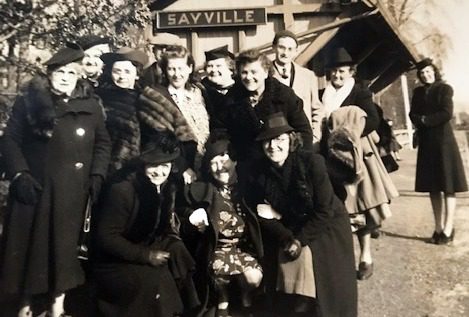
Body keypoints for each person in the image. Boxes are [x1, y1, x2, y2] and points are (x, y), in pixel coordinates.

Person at [0, 43, 111, 317]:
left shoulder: (91, 106)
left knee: (63, 250)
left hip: (73, 192)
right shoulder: (31, 102)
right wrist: (19, 174)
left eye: (71, 73)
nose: (64, 77)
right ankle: (25, 305)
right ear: (49, 75)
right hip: (37, 189)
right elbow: (10, 140)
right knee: (31, 247)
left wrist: (97, 175)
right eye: (59, 72)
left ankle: (57, 306)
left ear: (78, 76)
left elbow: (102, 144)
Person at [246, 112, 357, 317]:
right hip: (293, 230)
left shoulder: (312, 163)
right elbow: (262, 215)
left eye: (279, 139)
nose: (273, 146)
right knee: (295, 294)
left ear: (291, 140)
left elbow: (325, 210)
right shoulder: (261, 174)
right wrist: (287, 236)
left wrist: (298, 239)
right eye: (267, 142)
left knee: (330, 290)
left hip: (328, 227)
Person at [92, 133, 199, 317]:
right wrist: (146, 255)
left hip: (142, 249)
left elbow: (163, 223)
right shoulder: (123, 189)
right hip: (113, 262)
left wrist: (180, 231)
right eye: (153, 165)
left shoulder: (166, 186)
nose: (159, 172)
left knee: (181, 257)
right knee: (153, 281)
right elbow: (106, 238)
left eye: (164, 166)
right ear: (143, 165)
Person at [319, 47, 397, 280]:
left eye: (342, 71)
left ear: (350, 71)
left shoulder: (360, 93)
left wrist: (347, 130)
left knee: (360, 206)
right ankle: (341, 258)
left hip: (355, 156)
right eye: (333, 72)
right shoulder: (322, 94)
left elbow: (374, 120)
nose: (338, 76)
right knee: (336, 208)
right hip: (328, 155)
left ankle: (365, 256)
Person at [181, 136, 263, 317]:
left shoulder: (247, 187)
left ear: (234, 161)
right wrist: (192, 217)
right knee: (218, 270)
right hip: (215, 251)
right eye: (213, 163)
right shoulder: (202, 189)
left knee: (253, 278)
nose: (220, 167)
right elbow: (182, 213)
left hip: (243, 249)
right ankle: (222, 298)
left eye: (224, 160)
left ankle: (244, 295)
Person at [409, 57, 468, 244]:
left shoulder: (445, 89)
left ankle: (449, 228)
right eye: (422, 73)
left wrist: (425, 121)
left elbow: (446, 113)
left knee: (448, 187)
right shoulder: (418, 92)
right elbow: (412, 113)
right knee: (433, 188)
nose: (426, 75)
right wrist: (418, 119)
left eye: (428, 72)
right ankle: (438, 227)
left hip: (444, 143)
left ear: (434, 72)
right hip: (427, 145)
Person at [223, 49, 313, 162]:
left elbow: (304, 132)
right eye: (244, 72)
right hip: (247, 164)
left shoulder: (284, 95)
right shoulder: (232, 99)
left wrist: (295, 161)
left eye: (254, 72)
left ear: (266, 73)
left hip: (281, 162)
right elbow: (222, 130)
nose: (249, 77)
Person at [139, 46, 210, 184]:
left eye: (181, 68)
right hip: (176, 166)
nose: (177, 74)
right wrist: (182, 167)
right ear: (165, 70)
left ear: (190, 68)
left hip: (204, 164)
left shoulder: (198, 93)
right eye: (172, 69)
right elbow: (160, 139)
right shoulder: (156, 96)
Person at [97, 47, 148, 174]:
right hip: (108, 165)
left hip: (140, 165)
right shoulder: (101, 98)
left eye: (127, 71)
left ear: (137, 75)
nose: (121, 76)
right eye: (117, 71)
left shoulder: (145, 98)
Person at [271, 30, 323, 150]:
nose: (285, 53)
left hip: (303, 140)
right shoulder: (265, 74)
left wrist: (315, 136)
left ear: (296, 51)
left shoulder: (308, 76)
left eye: (290, 49)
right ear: (274, 48)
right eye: (281, 48)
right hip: (275, 142)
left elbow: (317, 109)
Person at [200, 45, 236, 130]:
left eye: (218, 66)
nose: (213, 70)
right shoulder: (201, 91)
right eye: (210, 66)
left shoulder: (241, 89)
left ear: (230, 69)